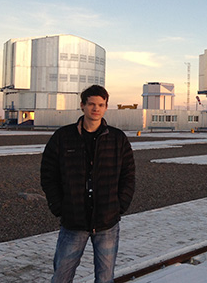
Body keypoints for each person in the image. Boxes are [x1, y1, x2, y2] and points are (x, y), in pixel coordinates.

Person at [41, 85, 136, 283]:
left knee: (105, 277)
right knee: (61, 276)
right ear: (82, 105)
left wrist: (119, 206)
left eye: (101, 105)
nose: (96, 108)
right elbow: (48, 174)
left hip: (107, 222)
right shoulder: (63, 137)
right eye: (91, 104)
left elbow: (128, 175)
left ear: (106, 107)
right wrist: (59, 206)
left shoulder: (118, 139)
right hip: (73, 221)